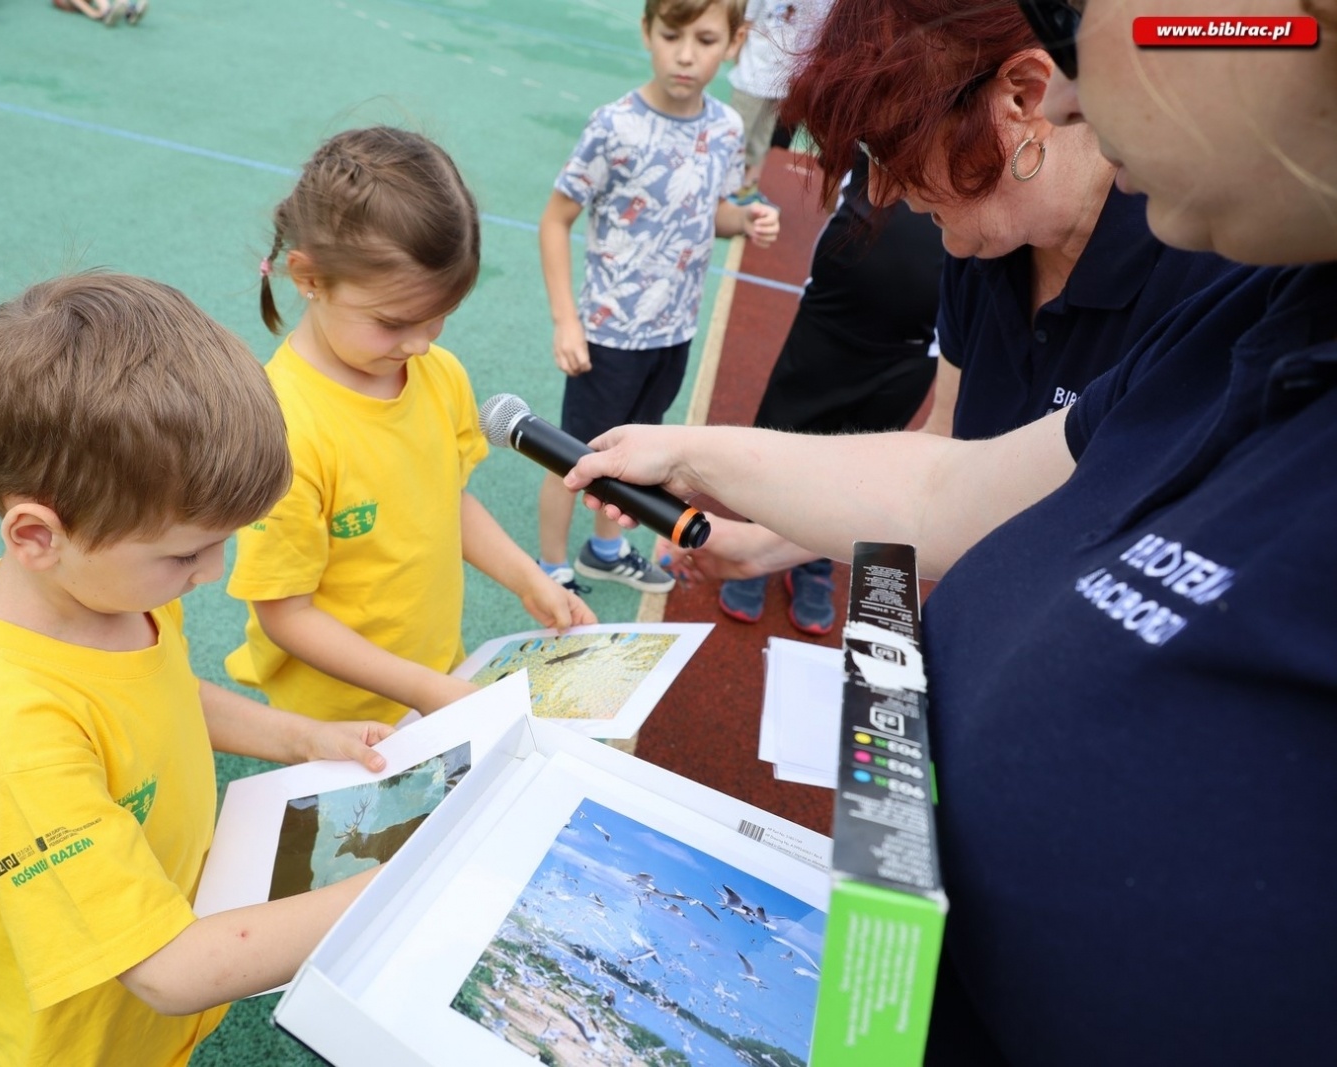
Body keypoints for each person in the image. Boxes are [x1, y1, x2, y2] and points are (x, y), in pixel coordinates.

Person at [568, 0, 1337, 1060]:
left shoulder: (1216, 264)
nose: (1080, 88)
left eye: (1077, 22)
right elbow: (951, 486)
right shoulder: (1245, 314)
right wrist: (710, 466)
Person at [0, 273, 398, 1067]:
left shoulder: (106, 590)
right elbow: (170, 971)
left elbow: (162, 689)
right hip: (93, 1045)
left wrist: (299, 736)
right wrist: (405, 883)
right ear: (38, 535)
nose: (211, 571)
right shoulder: (17, 742)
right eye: (186, 551)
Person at [708, 0, 1235, 626]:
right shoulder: (984, 242)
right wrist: (759, 545)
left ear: (1024, 95)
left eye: (891, 145)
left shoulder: (1210, 278)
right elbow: (948, 460)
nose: (880, 192)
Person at [228, 127, 594, 728]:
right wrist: (424, 688)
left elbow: (446, 497)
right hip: (335, 715)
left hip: (429, 674)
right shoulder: (287, 432)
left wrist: (527, 577)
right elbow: (284, 614)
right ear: (309, 278)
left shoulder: (436, 373)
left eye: (440, 317)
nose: (421, 342)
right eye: (394, 322)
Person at [534, 0, 782, 596]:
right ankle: (549, 567)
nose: (686, 54)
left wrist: (743, 221)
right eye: (672, 36)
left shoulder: (725, 128)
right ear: (647, 32)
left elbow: (709, 214)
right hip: (608, 335)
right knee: (572, 454)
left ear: (734, 43)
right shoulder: (613, 126)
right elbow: (554, 219)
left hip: (674, 333)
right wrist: (567, 322)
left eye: (704, 38)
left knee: (635, 452)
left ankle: (605, 547)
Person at [716, 148, 945, 632]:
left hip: (914, 348)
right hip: (830, 320)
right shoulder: (889, 108)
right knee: (786, 436)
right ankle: (761, 536)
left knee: (864, 458)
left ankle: (814, 557)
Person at [726, 0, 829, 199]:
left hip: (783, 82)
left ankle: (747, 189)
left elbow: (819, 37)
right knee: (736, 135)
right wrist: (739, 61)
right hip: (752, 74)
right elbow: (746, 22)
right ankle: (723, 190)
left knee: (762, 141)